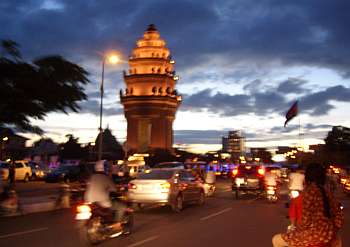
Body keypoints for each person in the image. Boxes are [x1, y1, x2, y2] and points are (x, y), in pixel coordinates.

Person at [272, 163, 344, 247]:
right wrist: (332, 230)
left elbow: (305, 221)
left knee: (276, 239)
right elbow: (339, 217)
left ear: (307, 176)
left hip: (311, 236)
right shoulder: (328, 193)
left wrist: (297, 230)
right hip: (329, 235)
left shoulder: (309, 192)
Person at [84, 160, 126, 230]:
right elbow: (114, 190)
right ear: (106, 169)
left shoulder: (92, 177)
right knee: (122, 207)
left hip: (89, 200)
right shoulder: (106, 178)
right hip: (102, 201)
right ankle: (117, 224)